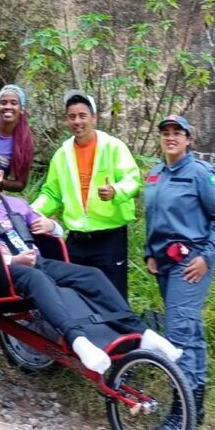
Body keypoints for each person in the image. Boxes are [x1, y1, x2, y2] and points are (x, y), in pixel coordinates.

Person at [0, 149, 181, 374]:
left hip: (35, 262)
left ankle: (142, 332)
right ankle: (78, 340)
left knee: (91, 275)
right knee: (37, 278)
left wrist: (51, 225)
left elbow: (55, 230)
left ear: (0, 176)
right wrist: (13, 259)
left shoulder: (17, 205)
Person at [144, 114, 215, 430]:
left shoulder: (199, 174)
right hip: (164, 263)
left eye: (177, 133)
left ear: (188, 140)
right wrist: (149, 252)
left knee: (179, 334)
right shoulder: (155, 174)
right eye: (166, 132)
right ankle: (196, 406)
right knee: (191, 333)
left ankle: (180, 413)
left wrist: (206, 258)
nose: (171, 137)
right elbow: (152, 217)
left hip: (190, 264)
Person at [31, 90, 141, 298]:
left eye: (82, 116)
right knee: (77, 296)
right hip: (77, 239)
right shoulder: (62, 155)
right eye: (72, 117)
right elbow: (51, 193)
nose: (77, 122)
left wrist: (115, 191)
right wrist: (31, 212)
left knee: (113, 297)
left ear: (93, 118)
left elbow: (132, 180)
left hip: (109, 236)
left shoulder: (113, 147)